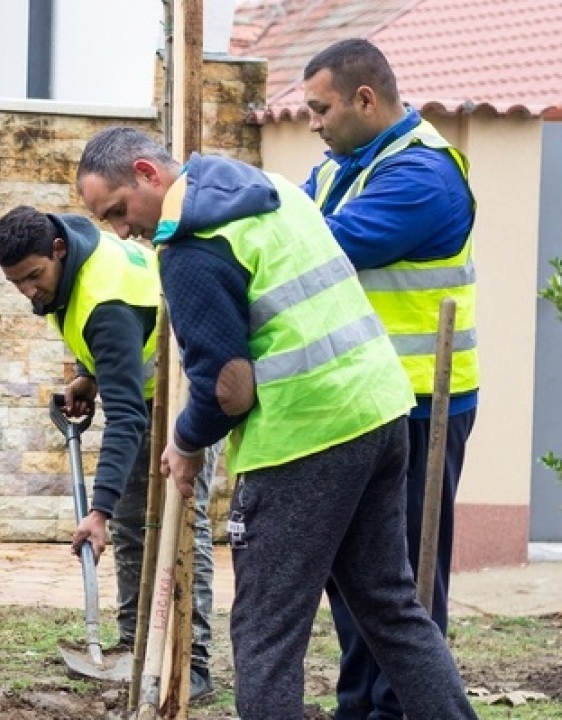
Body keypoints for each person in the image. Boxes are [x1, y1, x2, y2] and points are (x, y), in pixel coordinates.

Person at [75, 126, 476, 719]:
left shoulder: (191, 246)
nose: (120, 230)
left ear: (147, 173)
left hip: (302, 441)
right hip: (380, 410)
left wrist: (185, 442)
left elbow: (228, 388)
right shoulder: (270, 189)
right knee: (391, 608)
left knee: (266, 630)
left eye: (118, 210)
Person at [300, 38, 480, 720]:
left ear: (365, 99)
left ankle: (402, 709)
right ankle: (363, 707)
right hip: (366, 401)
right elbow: (294, 217)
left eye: (321, 109)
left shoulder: (423, 177)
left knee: (400, 581)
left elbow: (317, 246)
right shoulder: (343, 167)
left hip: (422, 404)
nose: (313, 122)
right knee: (353, 577)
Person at [0, 205, 218, 700]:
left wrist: (98, 512)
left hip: (191, 390)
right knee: (138, 523)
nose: (28, 291)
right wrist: (88, 375)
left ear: (57, 251)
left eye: (33, 277)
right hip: (152, 388)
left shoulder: (104, 301)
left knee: (181, 524)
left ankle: (192, 665)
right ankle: (136, 648)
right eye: (16, 283)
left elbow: (128, 418)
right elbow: (121, 346)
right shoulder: (71, 264)